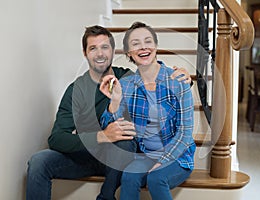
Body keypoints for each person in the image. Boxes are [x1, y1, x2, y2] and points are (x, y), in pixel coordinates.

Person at [26, 25, 192, 200]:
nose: (100, 54)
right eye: (93, 48)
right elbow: (56, 139)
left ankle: (106, 196)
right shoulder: (77, 90)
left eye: (105, 47)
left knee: (125, 140)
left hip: (121, 157)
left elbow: (154, 79)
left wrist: (184, 80)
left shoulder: (127, 79)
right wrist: (102, 136)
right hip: (86, 156)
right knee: (39, 161)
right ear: (85, 53)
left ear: (114, 51)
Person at [100, 22, 196, 200]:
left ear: (155, 46)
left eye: (147, 41)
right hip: (146, 155)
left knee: (156, 178)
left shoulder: (177, 80)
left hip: (178, 156)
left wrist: (163, 161)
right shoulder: (127, 85)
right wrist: (114, 101)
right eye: (135, 43)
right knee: (128, 176)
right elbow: (109, 126)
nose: (143, 47)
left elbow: (185, 134)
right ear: (129, 52)